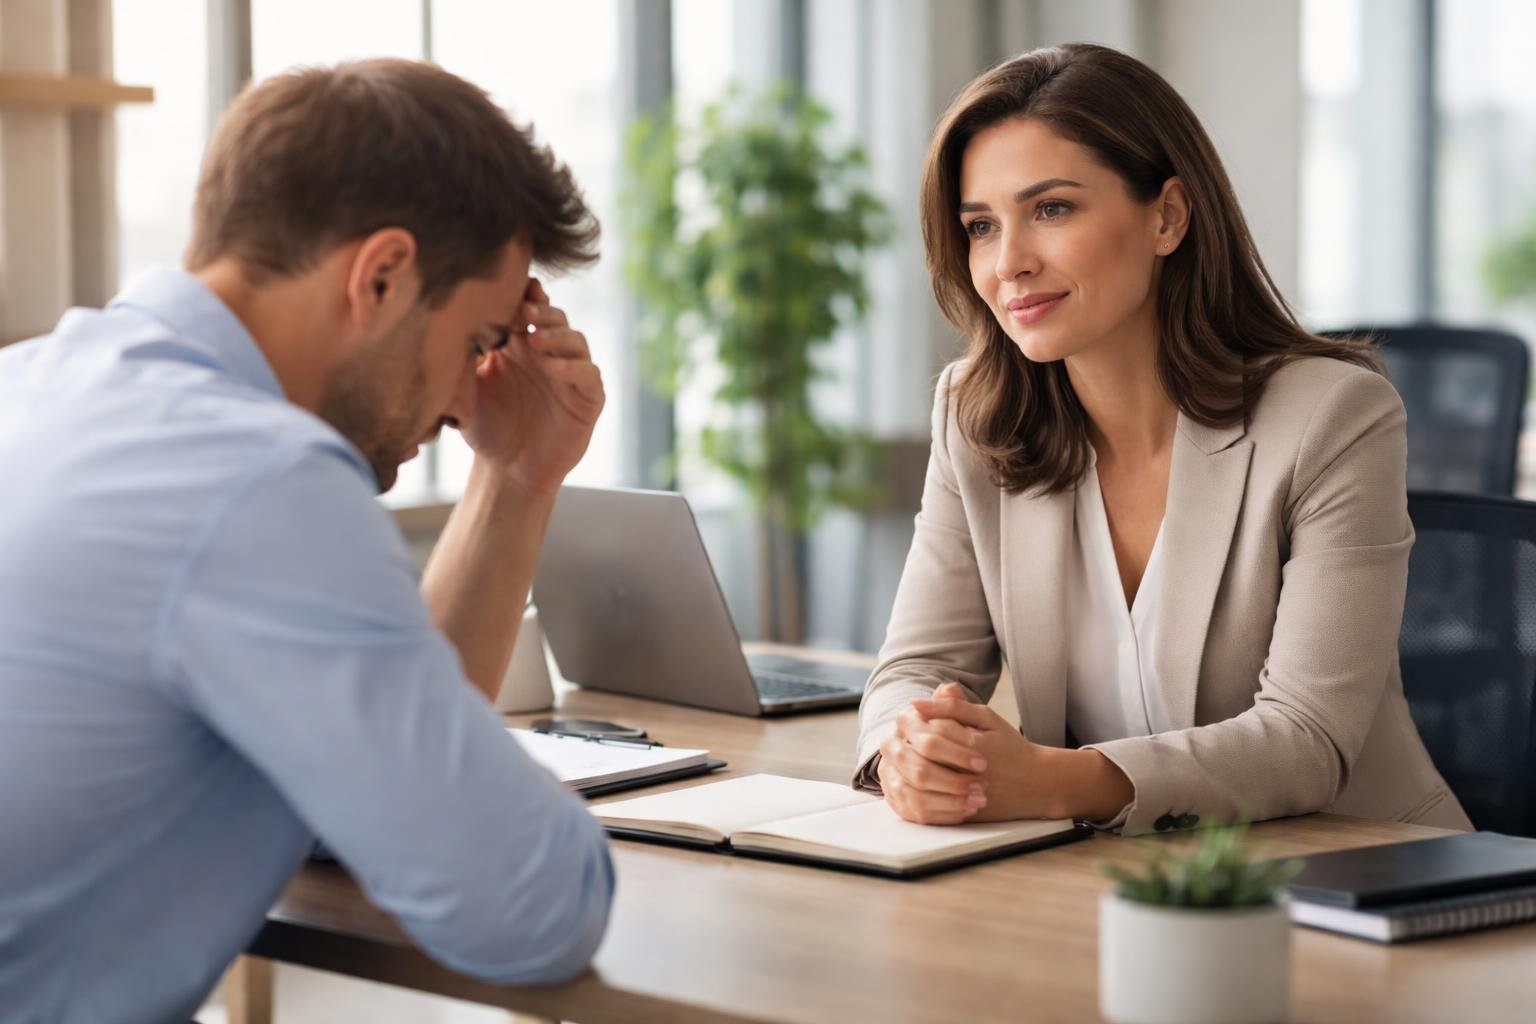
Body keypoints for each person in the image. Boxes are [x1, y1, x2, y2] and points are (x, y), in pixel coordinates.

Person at [0, 59, 615, 1021]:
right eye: (476, 343)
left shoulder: (31, 386)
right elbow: (529, 904)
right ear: (381, 276)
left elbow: (378, 789)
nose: (467, 402)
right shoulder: (253, 476)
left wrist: (517, 474)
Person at [853, 43, 1472, 837]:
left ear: (1168, 216)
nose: (1008, 263)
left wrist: (1052, 781)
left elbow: (1306, 740)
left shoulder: (1333, 417)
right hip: (1117, 874)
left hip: (1355, 870)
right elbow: (914, 669)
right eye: (980, 226)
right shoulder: (976, 416)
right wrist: (910, 753)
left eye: (1052, 209)